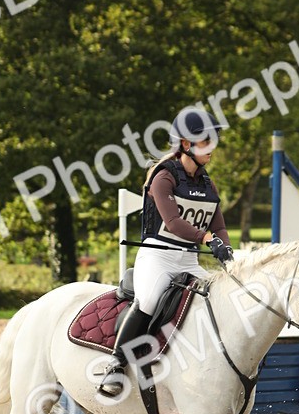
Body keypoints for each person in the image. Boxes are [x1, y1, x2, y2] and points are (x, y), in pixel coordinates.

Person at [96, 107, 234, 397]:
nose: (213, 148)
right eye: (206, 141)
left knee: (218, 297)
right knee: (148, 299)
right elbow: (173, 223)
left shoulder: (208, 184)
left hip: (188, 258)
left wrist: (226, 249)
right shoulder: (163, 178)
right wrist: (208, 238)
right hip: (157, 256)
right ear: (186, 144)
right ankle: (116, 365)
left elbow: (218, 225)